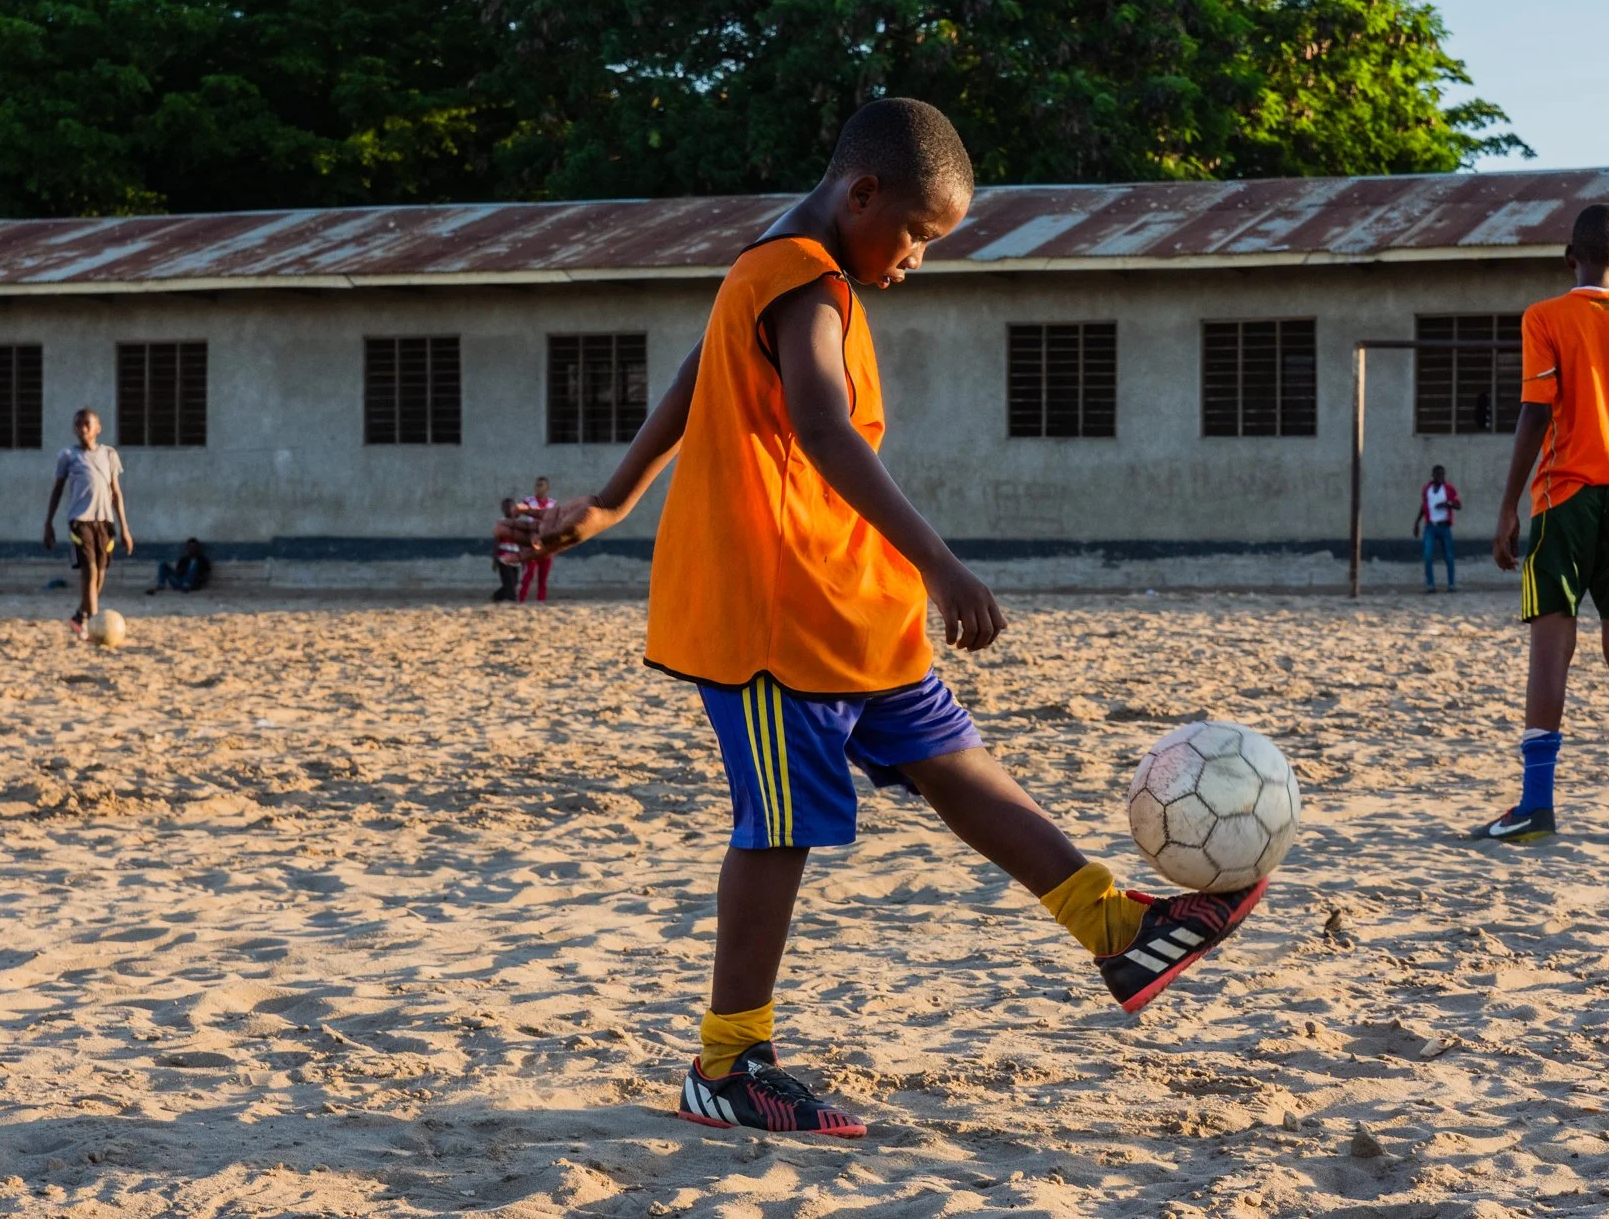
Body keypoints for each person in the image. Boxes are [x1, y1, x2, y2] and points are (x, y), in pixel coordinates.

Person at [528, 98, 1265, 1138]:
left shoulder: (779, 277)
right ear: (860, 193)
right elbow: (824, 431)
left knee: (952, 761)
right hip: (773, 613)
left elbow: (699, 371)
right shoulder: (799, 282)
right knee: (778, 827)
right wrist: (943, 564)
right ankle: (728, 1062)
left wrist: (611, 496)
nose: (917, 258)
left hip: (847, 599)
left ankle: (1114, 930)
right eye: (917, 234)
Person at [1481, 203, 1609, 847]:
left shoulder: (1544, 317)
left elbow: (1534, 413)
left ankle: (1536, 807)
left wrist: (1508, 503)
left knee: (1553, 652)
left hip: (1561, 500)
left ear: (1569, 257)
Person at [42, 408, 133, 638]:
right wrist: (48, 522)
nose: (82, 429)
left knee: (100, 574)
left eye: (87, 424)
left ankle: (80, 615)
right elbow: (57, 490)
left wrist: (125, 527)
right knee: (89, 571)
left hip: (104, 521)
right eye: (78, 425)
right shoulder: (68, 456)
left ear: (97, 428)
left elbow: (116, 492)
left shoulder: (109, 454)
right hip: (80, 521)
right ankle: (93, 625)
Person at [1412, 464, 1461, 593]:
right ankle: (1430, 585)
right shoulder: (1427, 489)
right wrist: (1417, 522)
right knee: (1427, 556)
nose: (1441, 477)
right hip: (1430, 527)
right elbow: (1424, 506)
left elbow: (1458, 505)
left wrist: (1447, 504)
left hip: (1444, 526)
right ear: (1433, 475)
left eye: (1443, 475)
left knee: (1449, 556)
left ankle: (1451, 584)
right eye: (1438, 474)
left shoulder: (1449, 489)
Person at [513, 478, 557, 603]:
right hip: (531, 542)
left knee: (543, 576)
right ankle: (521, 599)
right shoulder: (528, 502)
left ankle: (541, 601)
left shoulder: (553, 504)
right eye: (537, 485)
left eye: (541, 485)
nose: (538, 488)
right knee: (529, 573)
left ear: (547, 487)